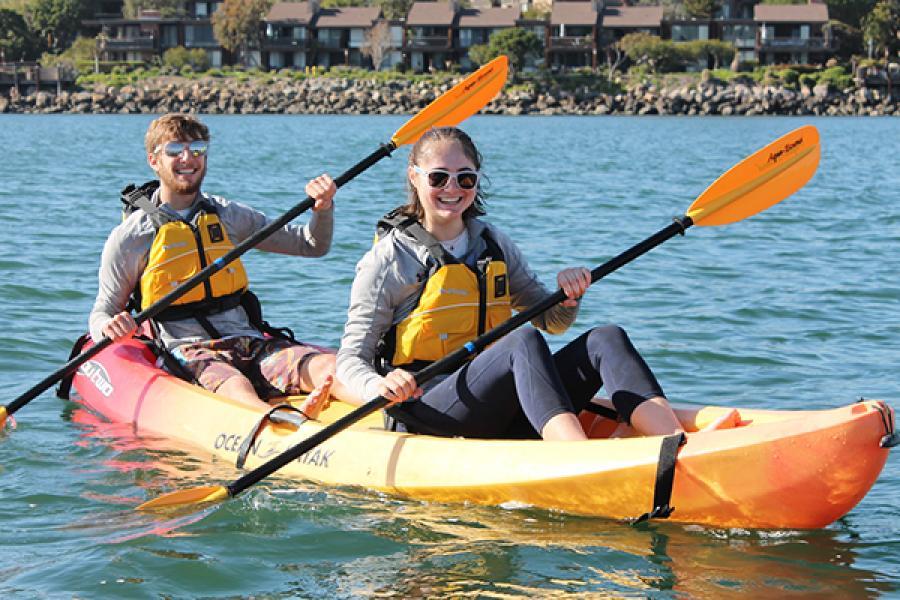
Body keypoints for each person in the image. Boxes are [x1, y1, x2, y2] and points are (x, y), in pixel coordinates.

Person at [336, 126, 684, 441]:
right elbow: (350, 360)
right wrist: (381, 385)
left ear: (477, 180)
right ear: (414, 177)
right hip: (428, 407)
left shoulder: (494, 244)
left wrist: (567, 298)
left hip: (496, 403)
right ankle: (576, 456)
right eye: (438, 178)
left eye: (465, 178)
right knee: (522, 341)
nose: (452, 189)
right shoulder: (389, 259)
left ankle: (675, 441)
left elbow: (552, 322)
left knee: (605, 337)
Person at [90, 113, 356, 420]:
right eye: (174, 150)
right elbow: (102, 312)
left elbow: (311, 245)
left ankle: (392, 411)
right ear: (154, 160)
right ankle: (286, 424)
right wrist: (109, 327)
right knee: (235, 385)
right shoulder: (131, 237)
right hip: (190, 351)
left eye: (198, 149)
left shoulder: (228, 215)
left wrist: (323, 210)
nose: (188, 159)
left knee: (328, 366)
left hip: (249, 341)